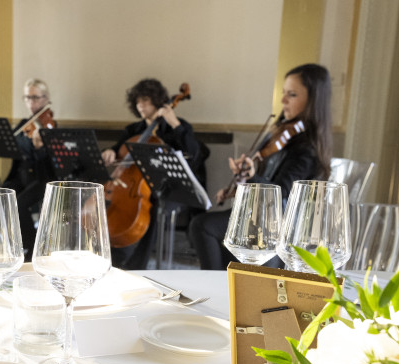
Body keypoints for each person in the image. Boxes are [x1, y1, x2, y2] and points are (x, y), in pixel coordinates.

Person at [188, 63, 332, 270]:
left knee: (203, 226)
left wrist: (253, 176)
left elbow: (280, 192)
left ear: (313, 100)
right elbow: (263, 182)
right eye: (283, 93)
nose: (282, 100)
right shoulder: (283, 134)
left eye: (292, 95)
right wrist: (242, 182)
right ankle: (225, 281)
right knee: (205, 226)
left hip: (275, 225)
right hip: (260, 215)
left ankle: (216, 282)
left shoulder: (307, 148)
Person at [101, 78, 207, 270]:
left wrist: (173, 122)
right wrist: (110, 151)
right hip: (132, 188)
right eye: (138, 101)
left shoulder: (177, 127)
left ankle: (137, 266)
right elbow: (119, 151)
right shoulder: (133, 130)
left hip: (170, 189)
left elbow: (194, 154)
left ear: (158, 101)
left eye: (146, 100)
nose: (140, 105)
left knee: (158, 207)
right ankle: (109, 256)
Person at [4, 78, 56, 261]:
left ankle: (31, 248)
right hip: (22, 176)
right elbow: (9, 145)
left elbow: (51, 165)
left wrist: (40, 148)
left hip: (42, 178)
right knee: (0, 196)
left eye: (35, 97)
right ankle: (10, 245)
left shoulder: (50, 127)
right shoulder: (24, 124)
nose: (31, 103)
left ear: (45, 99)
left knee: (18, 203)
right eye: (27, 98)